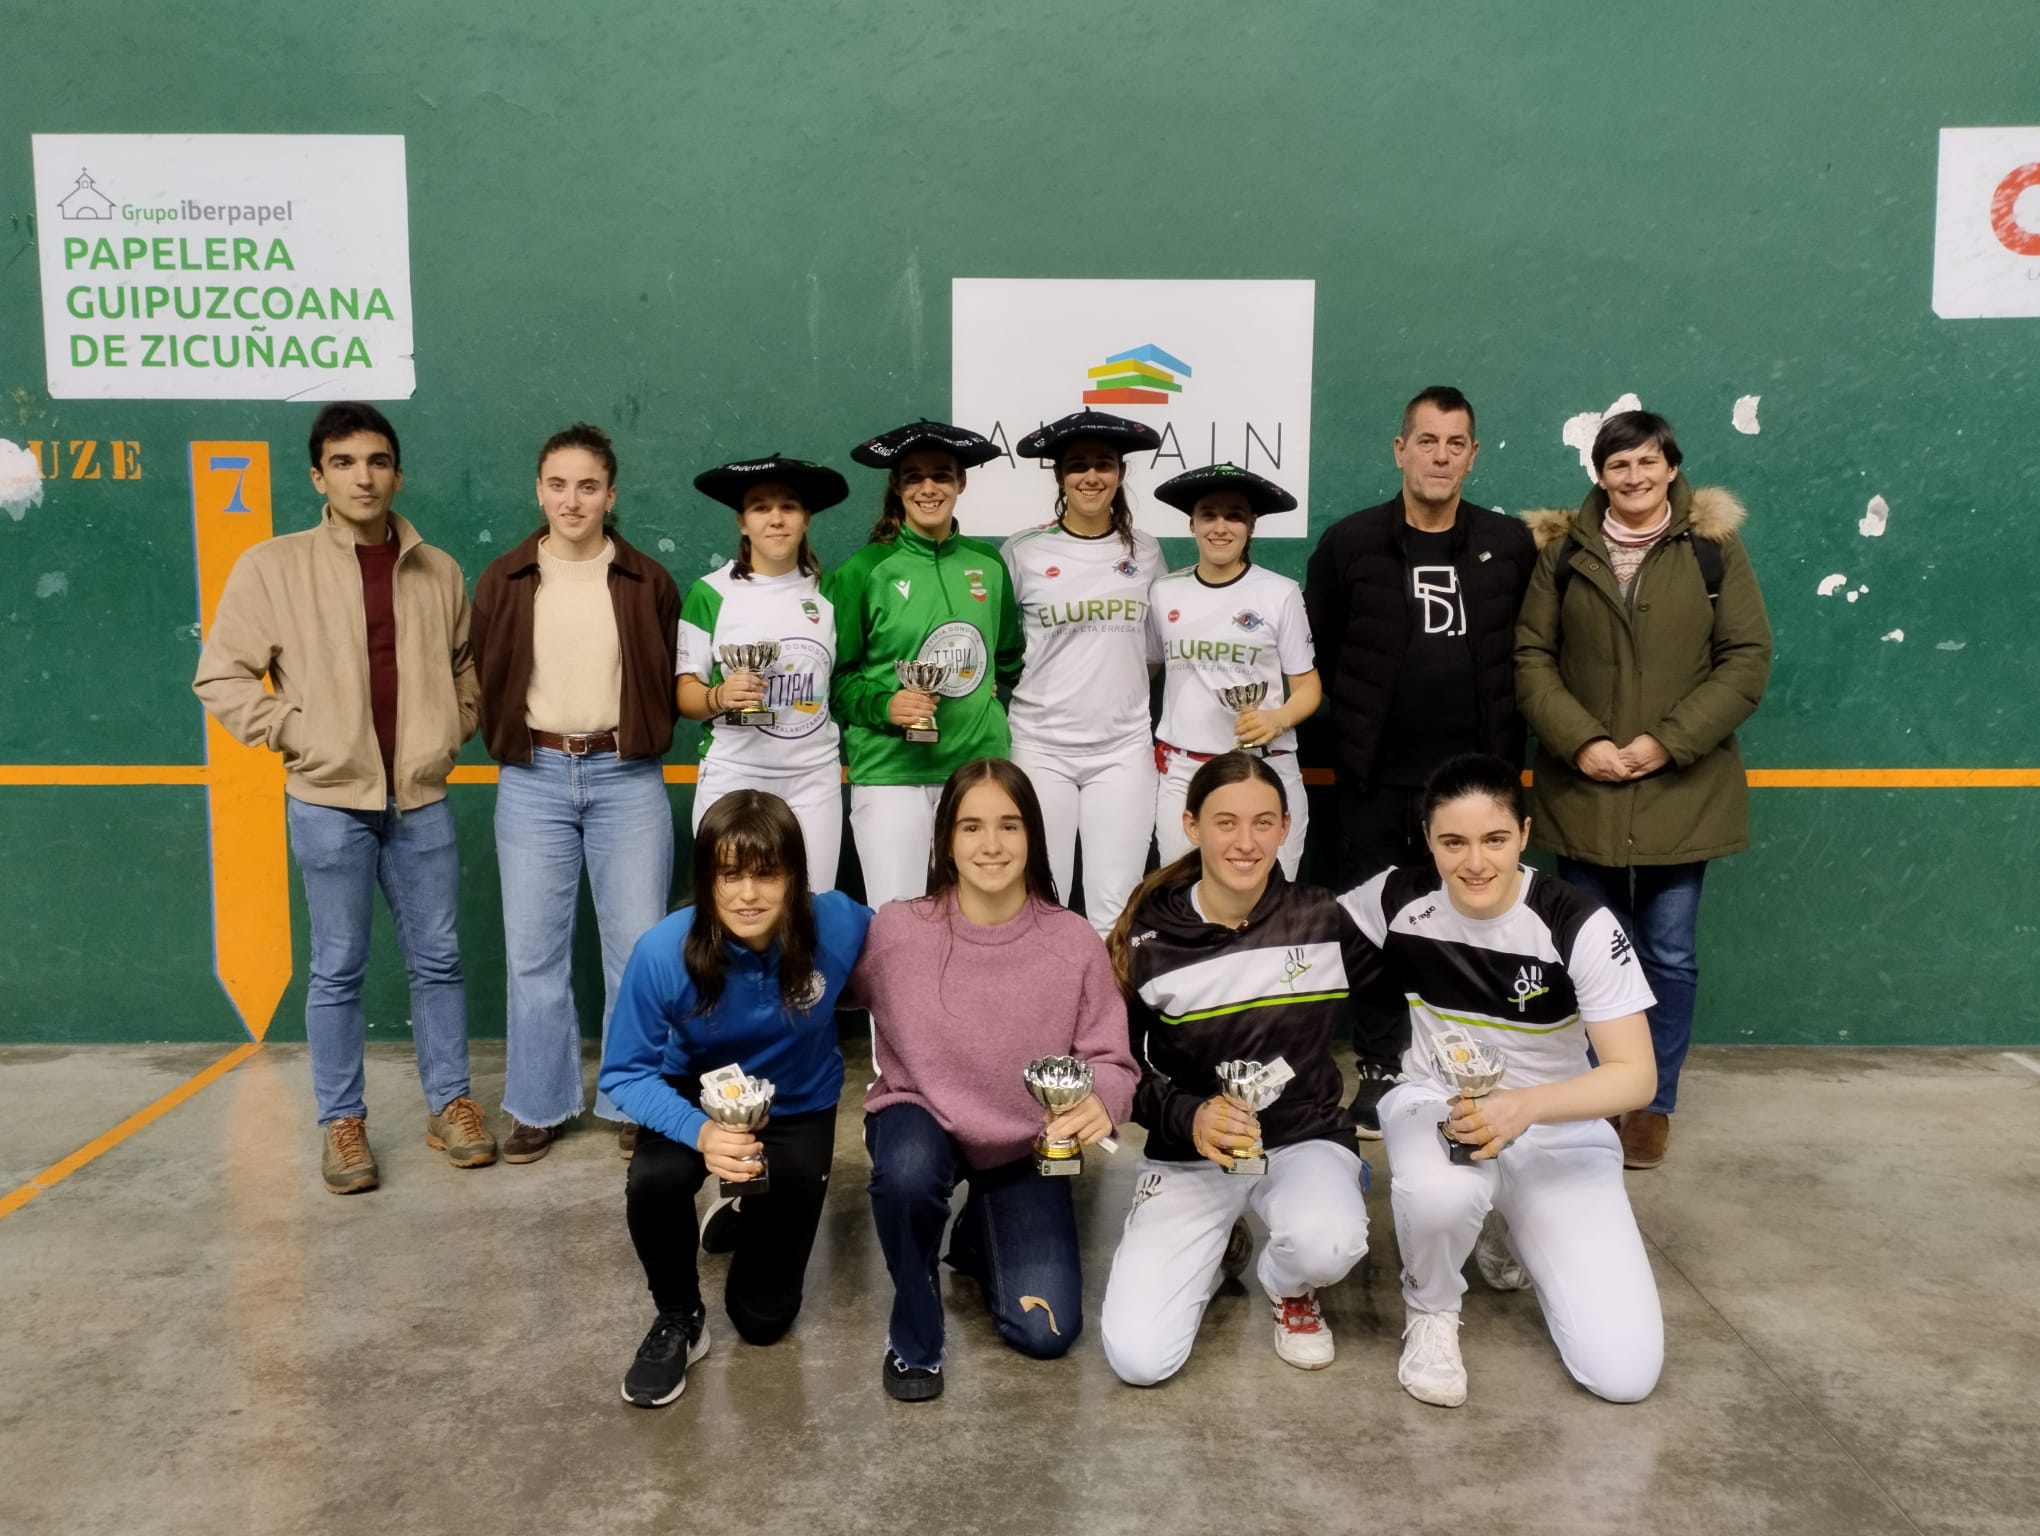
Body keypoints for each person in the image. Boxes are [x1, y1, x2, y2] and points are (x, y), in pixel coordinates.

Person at [194, 401, 494, 1194]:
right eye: (345, 462)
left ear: (398, 473)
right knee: (336, 967)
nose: (364, 477)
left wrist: (451, 728)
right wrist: (298, 734)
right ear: (318, 477)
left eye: (378, 461)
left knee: (439, 960)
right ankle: (342, 1122)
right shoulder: (273, 566)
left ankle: (452, 1105)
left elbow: (466, 667)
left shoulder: (438, 569)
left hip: (420, 799)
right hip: (329, 801)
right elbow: (221, 676)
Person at [1339, 753, 1662, 1408]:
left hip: (1555, 1126)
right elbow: (1286, 937)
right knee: (1440, 1194)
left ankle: (1502, 1224)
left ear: (1524, 834)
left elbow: (1636, 1077)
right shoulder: (1395, 899)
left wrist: (1523, 1107)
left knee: (1624, 1377)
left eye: (1494, 839)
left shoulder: (1577, 922)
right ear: (1428, 839)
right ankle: (1430, 1310)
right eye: (1452, 842)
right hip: (1436, 1102)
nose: (1475, 862)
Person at [1516, 410, 1771, 1171]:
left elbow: (1746, 659)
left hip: (1683, 788)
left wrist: (1667, 742)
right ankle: (1601, 1092)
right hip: (1584, 787)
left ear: (1670, 467)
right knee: (1593, 953)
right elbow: (1531, 657)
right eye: (1618, 465)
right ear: (1600, 474)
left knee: (1668, 954)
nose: (1634, 477)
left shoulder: (1713, 549)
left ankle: (1651, 1104)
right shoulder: (1562, 552)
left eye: (1647, 462)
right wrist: (1583, 742)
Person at [851, 758, 1136, 1401]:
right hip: (920, 1120)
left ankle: (978, 1233)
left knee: (1046, 1332)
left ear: (1033, 835)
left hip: (1024, 1145)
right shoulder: (898, 930)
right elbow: (817, 989)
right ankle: (915, 1337)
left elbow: (1114, 1061)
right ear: (946, 841)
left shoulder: (1073, 942)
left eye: (1009, 825)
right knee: (907, 1173)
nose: (992, 844)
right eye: (971, 826)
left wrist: (1101, 1100)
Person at [1302, 386, 1537, 1137]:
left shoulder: (1510, 544)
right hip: (1375, 778)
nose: (1440, 456)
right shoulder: (1349, 544)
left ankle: (1472, 1065)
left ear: (1472, 455)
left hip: (1475, 785)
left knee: (1475, 921)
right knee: (1373, 926)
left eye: (1455, 443)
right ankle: (1379, 1065)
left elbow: (1533, 653)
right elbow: (1314, 655)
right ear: (1400, 450)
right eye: (1427, 441)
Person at [1099, 753, 1374, 1385]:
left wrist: (1388, 1070)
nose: (1245, 842)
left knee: (1328, 1243)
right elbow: (1117, 1067)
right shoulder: (1146, 938)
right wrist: (1189, 1117)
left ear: (1285, 828)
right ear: (1191, 826)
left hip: (1303, 1140)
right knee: (1139, 1360)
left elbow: (1403, 986)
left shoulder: (1324, 918)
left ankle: (1288, 1284)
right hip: (1190, 1154)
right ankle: (1216, 1244)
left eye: (1262, 823)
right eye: (1226, 822)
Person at [598, 791, 873, 1408]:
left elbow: (907, 956)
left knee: (762, 1319)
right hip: (696, 1099)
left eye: (766, 873)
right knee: (654, 1180)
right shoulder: (663, 951)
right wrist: (701, 1134)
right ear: (706, 880)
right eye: (729, 875)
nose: (748, 894)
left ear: (795, 877)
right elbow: (624, 1074)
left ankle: (745, 1206)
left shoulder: (838, 922)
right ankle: (678, 1317)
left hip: (798, 1103)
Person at [470, 423, 680, 1164]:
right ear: (539, 491)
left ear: (610, 495)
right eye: (558, 485)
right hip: (534, 776)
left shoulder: (649, 581)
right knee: (533, 954)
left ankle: (634, 1098)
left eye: (587, 486)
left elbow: (665, 679)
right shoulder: (503, 579)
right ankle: (539, 1104)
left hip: (627, 776)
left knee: (638, 950)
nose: (572, 499)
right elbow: (485, 676)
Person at [829, 420, 1024, 907]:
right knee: (898, 919)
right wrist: (886, 705)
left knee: (981, 916)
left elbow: (1008, 658)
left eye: (941, 475)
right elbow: (836, 682)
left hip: (978, 769)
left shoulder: (989, 564)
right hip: (891, 773)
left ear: (961, 482)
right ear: (897, 487)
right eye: (914, 476)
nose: (928, 488)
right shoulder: (863, 570)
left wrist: (985, 691)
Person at [1000, 409, 1165, 937]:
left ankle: (1109, 998)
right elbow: (1001, 647)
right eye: (1077, 465)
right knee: (1038, 904)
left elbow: (1154, 652)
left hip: (1122, 752)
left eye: (1104, 464)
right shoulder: (1022, 551)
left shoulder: (1146, 551)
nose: (1091, 476)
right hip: (1039, 748)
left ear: (1120, 473)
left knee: (1114, 912)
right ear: (1059, 476)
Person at [678, 454, 848, 890]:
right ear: (742, 521)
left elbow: (848, 680)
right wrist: (719, 696)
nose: (776, 519)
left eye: (788, 506)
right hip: (733, 774)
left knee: (812, 906)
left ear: (806, 518)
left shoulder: (832, 591)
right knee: (731, 906)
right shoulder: (710, 593)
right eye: (760, 507)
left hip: (813, 779)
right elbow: (686, 695)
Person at [1147, 463, 1321, 879]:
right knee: (1182, 898)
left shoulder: (1280, 593)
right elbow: (1145, 669)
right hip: (1186, 772)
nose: (1220, 527)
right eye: (1208, 514)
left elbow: (1308, 687)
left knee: (1269, 901)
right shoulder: (1164, 591)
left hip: (1264, 767)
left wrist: (1277, 718)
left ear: (1251, 525)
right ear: (1192, 524)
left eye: (1235, 515)